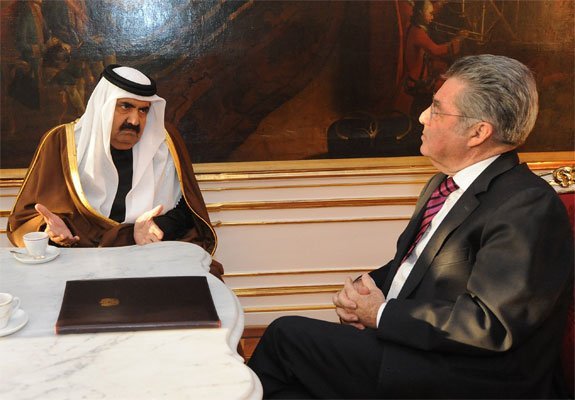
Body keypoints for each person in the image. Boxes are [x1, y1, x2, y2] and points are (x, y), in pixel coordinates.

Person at [248, 54, 573, 398]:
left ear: (478, 132)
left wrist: (381, 314)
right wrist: (364, 290)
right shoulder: (443, 184)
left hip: (471, 378)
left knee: (286, 338)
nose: (422, 116)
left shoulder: (527, 205)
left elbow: (488, 323)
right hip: (420, 351)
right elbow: (415, 266)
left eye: (437, 109)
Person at [8, 64, 223, 278]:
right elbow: (25, 218)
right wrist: (48, 232)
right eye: (125, 106)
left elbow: (188, 212)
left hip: (151, 256)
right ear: (104, 105)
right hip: (79, 260)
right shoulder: (62, 143)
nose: (134, 120)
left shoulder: (165, 143)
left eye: (143, 110)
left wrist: (156, 226)